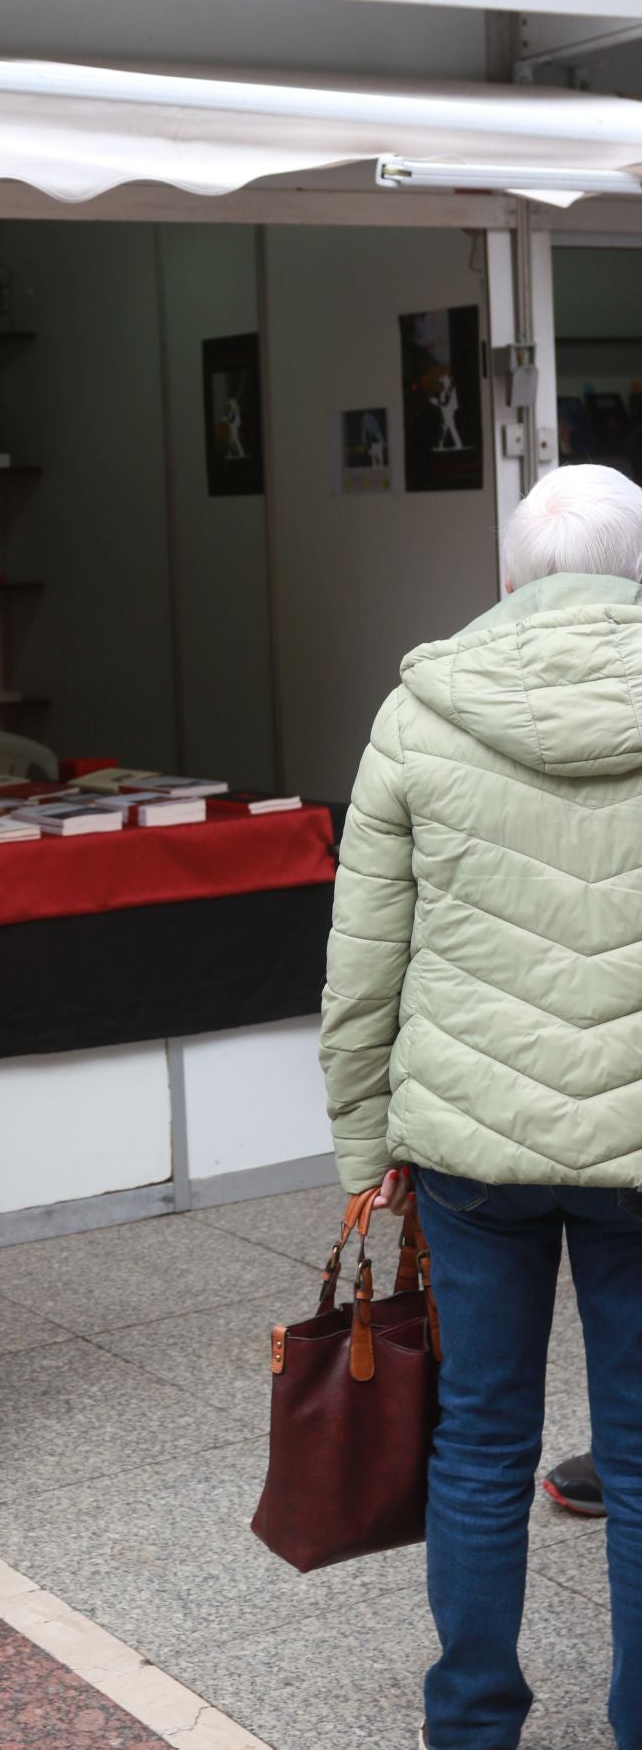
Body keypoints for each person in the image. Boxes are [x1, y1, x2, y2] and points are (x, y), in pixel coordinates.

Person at [320, 462, 642, 1750]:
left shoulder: (420, 710)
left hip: (467, 1148)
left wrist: (360, 1141)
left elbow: (362, 960)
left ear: (507, 579)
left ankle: (469, 1725)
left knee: (478, 1442)